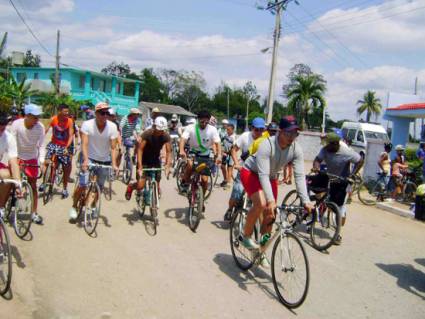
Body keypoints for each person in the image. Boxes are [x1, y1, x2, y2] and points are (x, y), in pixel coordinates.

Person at [240, 116, 314, 267]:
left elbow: (299, 176)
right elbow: (263, 175)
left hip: (271, 177)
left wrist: (306, 200)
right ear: (280, 132)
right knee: (261, 203)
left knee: (270, 215)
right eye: (288, 133)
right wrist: (271, 200)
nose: (292, 137)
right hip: (252, 172)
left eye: (295, 134)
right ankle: (245, 236)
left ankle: (261, 251)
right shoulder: (266, 145)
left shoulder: (296, 149)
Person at [68, 102, 119, 221]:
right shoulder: (87, 125)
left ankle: (93, 204)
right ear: (96, 113)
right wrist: (85, 160)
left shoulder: (112, 127)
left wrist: (114, 164)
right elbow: (84, 144)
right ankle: (74, 207)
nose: (105, 115)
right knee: (82, 184)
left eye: (107, 113)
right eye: (102, 113)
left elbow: (113, 147)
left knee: (99, 187)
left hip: (104, 160)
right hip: (88, 157)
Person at [313, 132, 363, 245]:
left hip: (342, 181)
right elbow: (317, 159)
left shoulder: (346, 152)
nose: (325, 146)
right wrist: (316, 167)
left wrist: (353, 174)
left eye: (328, 144)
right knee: (316, 189)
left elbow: (360, 160)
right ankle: (316, 213)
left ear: (335, 144)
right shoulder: (325, 149)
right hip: (329, 177)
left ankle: (337, 233)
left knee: (339, 208)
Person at [223, 117, 266, 221]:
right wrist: (237, 164)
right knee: (237, 193)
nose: (259, 132)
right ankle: (230, 209)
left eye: (261, 130)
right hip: (243, 169)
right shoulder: (245, 136)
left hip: (258, 172)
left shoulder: (266, 140)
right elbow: (234, 150)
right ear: (252, 128)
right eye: (256, 129)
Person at [10, 104, 45, 224]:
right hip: (17, 156)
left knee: (33, 186)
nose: (37, 120)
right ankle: (3, 207)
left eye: (38, 117)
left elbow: (41, 146)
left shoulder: (40, 127)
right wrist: (16, 160)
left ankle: (34, 213)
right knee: (12, 182)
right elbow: (12, 143)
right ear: (27, 116)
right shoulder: (17, 124)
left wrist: (41, 161)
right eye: (35, 117)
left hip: (31, 158)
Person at [125, 116, 172, 201]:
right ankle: (131, 187)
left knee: (157, 183)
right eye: (159, 130)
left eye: (162, 130)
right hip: (144, 160)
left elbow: (169, 151)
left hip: (155, 160)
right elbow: (140, 149)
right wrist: (140, 166)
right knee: (140, 186)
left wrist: (168, 165)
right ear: (154, 126)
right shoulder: (147, 134)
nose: (160, 132)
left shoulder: (166, 136)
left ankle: (155, 192)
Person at [179, 110, 221, 195]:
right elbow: (183, 139)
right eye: (202, 121)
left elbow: (217, 143)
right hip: (193, 151)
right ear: (198, 120)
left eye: (206, 122)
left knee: (205, 181)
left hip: (205, 154)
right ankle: (184, 183)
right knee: (190, 165)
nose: (204, 124)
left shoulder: (213, 129)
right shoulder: (191, 127)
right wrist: (181, 150)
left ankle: (201, 200)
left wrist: (219, 155)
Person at [41, 104, 74, 199]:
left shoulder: (70, 121)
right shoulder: (53, 119)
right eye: (65, 112)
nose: (67, 113)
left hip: (64, 146)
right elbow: (45, 130)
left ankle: (64, 188)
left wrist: (67, 147)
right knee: (46, 162)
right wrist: (39, 141)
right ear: (59, 111)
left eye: (67, 111)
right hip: (53, 144)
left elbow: (71, 135)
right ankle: (44, 182)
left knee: (66, 167)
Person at [0, 112, 21, 220]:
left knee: (7, 176)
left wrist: (18, 183)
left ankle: (1, 207)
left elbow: (13, 161)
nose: (0, 132)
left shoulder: (8, 137)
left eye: (2, 129)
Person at [220, 123, 236, 188]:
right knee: (222, 166)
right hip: (225, 153)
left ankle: (228, 183)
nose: (227, 131)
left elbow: (234, 147)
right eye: (227, 129)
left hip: (231, 154)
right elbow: (221, 143)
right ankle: (225, 179)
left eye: (229, 130)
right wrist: (222, 151)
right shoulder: (225, 135)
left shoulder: (234, 137)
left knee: (229, 168)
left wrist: (229, 153)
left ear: (232, 130)